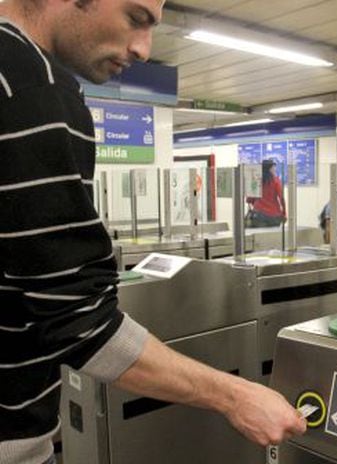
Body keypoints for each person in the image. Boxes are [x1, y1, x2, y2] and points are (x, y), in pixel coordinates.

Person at [0, 1, 306, 463]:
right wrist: (236, 395)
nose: (144, 50)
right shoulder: (32, 86)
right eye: (135, 17)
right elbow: (82, 325)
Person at [246, 159, 286, 227]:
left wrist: (257, 204)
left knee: (259, 236)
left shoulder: (256, 180)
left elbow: (249, 199)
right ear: (269, 169)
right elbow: (281, 197)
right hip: (274, 216)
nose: (274, 170)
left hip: (258, 215)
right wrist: (284, 213)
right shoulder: (275, 180)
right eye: (273, 168)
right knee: (272, 236)